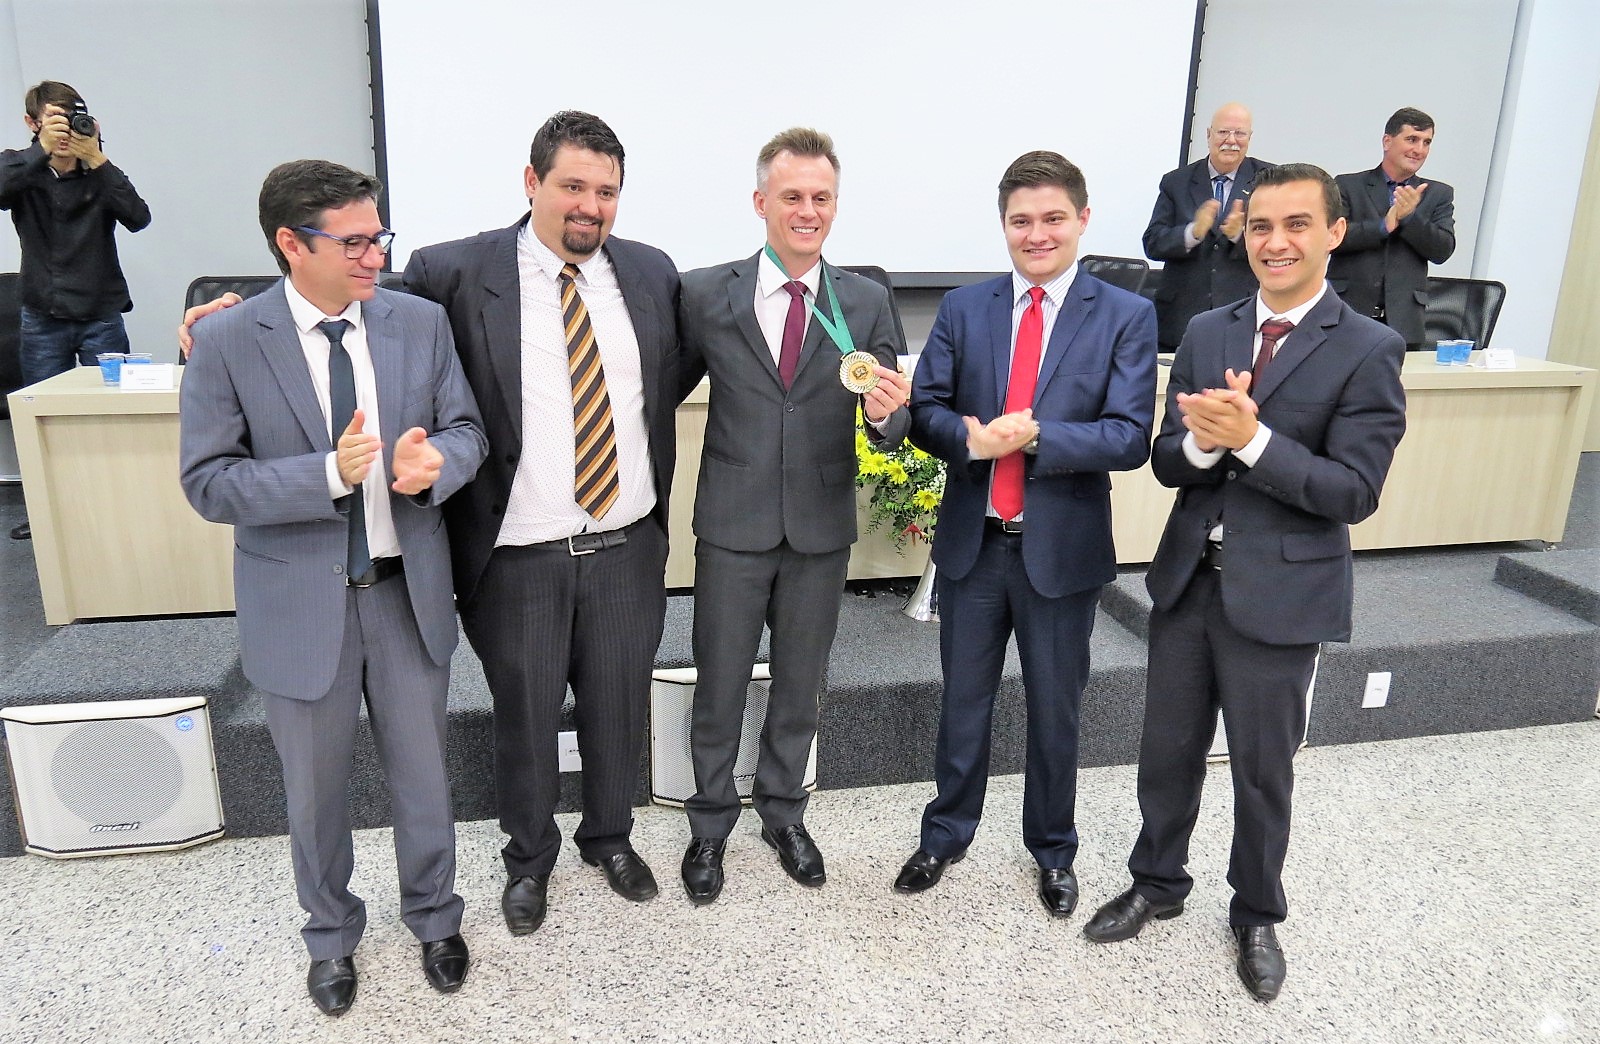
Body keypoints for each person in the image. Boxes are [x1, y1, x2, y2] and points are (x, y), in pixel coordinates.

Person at [184, 112, 683, 936]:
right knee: (524, 720)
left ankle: (610, 838)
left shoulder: (651, 273)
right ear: (532, 182)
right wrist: (222, 315)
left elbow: (678, 368)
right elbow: (335, 310)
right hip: (517, 551)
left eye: (607, 191)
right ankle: (529, 860)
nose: (590, 205)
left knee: (618, 708)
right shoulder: (451, 271)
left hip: (626, 542)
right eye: (573, 185)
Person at [1081, 163, 1407, 1003]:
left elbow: (1353, 493)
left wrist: (1253, 441)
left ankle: (1257, 912)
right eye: (1261, 225)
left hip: (1283, 596)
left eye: (1297, 224)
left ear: (1335, 233)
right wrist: (1202, 441)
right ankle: (1157, 881)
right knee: (1167, 751)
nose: (1276, 241)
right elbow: (1167, 459)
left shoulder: (1368, 348)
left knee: (1263, 771)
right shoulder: (1207, 331)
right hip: (1189, 582)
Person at [179, 160, 488, 1016]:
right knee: (313, 792)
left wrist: (438, 465)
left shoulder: (418, 323)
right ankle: (331, 936)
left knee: (424, 778)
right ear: (291, 243)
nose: (374, 255)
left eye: (377, 236)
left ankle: (435, 917)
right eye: (352, 242)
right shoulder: (228, 341)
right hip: (297, 604)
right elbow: (208, 482)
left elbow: (467, 429)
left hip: (404, 593)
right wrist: (325, 475)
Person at [893, 151, 1157, 918]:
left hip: (1060, 551)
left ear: (1082, 219)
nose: (1036, 234)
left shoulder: (1125, 315)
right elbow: (926, 412)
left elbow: (1129, 436)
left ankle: (1053, 851)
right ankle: (945, 834)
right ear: (1003, 225)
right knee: (963, 703)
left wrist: (1037, 436)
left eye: (1051, 219)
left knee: (1055, 710)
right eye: (1020, 221)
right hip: (974, 547)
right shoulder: (964, 308)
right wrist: (970, 440)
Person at [675, 128, 910, 904]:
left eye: (821, 198)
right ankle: (710, 824)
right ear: (761, 202)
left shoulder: (865, 300)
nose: (807, 211)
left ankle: (783, 813)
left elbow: (893, 419)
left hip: (818, 527)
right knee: (719, 683)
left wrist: (887, 415)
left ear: (834, 205)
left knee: (801, 684)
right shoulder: (707, 294)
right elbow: (660, 389)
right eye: (792, 197)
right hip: (731, 525)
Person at [2, 80, 150, 541]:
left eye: (72, 119)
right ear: (32, 123)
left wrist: (98, 158)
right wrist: (40, 152)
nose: (66, 131)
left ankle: (125, 503)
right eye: (55, 120)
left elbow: (139, 217)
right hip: (42, 315)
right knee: (42, 419)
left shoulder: (99, 173)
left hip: (101, 313)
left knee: (119, 414)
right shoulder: (20, 168)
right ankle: (47, 512)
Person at [1143, 102, 1271, 352]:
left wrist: (1239, 236)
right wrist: (1192, 232)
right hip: (1180, 317)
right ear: (1208, 134)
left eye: (1239, 133)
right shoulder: (1176, 181)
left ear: (1250, 137)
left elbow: (1277, 245)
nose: (1231, 141)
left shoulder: (1268, 180)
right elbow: (1153, 243)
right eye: (1223, 132)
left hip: (1243, 312)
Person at [1329, 107, 1455, 348]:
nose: (1419, 150)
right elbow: (1331, 238)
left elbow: (1442, 250)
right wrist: (1383, 226)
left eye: (1427, 142)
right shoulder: (1347, 185)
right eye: (1412, 139)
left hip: (1403, 322)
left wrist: (1409, 218)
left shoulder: (1438, 194)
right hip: (1346, 313)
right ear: (1387, 141)